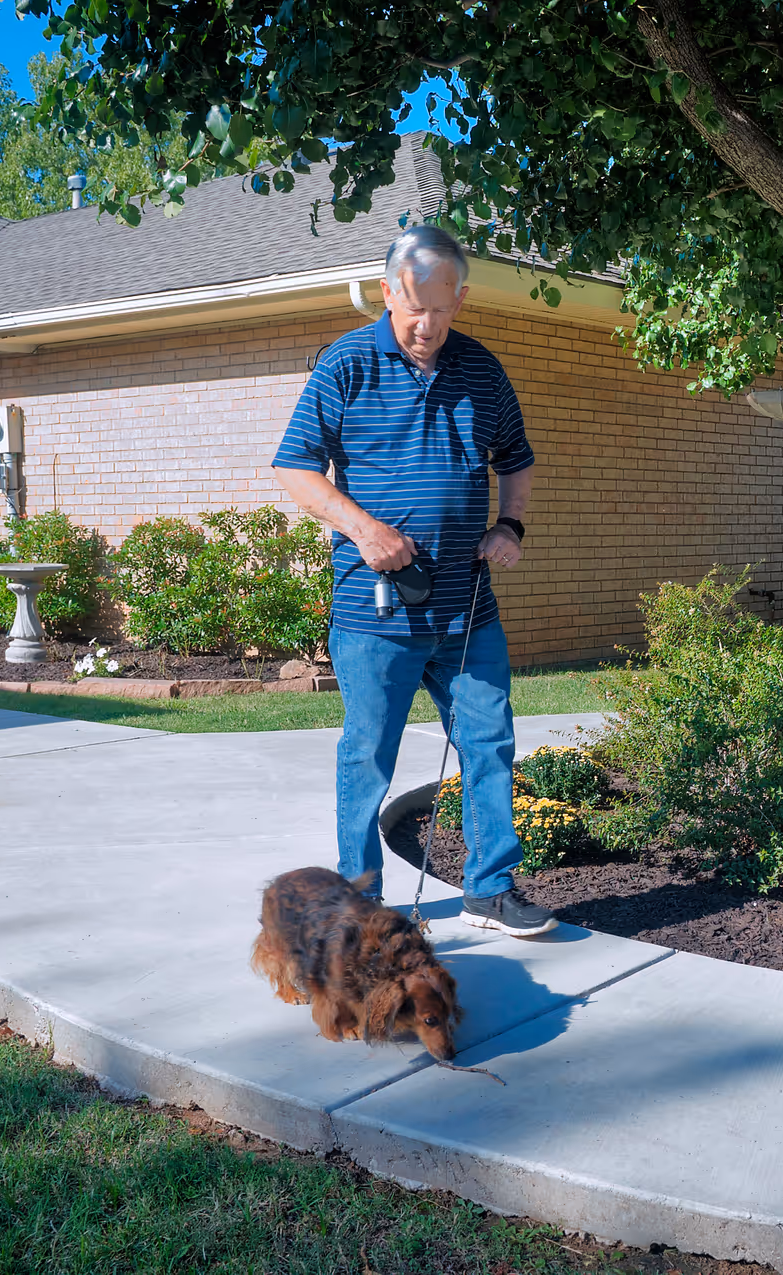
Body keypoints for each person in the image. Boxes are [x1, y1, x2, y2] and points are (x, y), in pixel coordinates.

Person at [270, 224, 557, 938]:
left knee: (489, 744)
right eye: (412, 309)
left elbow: (516, 459)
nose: (427, 326)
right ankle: (362, 905)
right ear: (385, 292)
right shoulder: (347, 365)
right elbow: (294, 467)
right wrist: (365, 530)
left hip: (468, 608)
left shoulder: (482, 370)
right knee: (368, 757)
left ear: (460, 297)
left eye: (442, 309)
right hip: (375, 616)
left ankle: (489, 890)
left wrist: (509, 526)